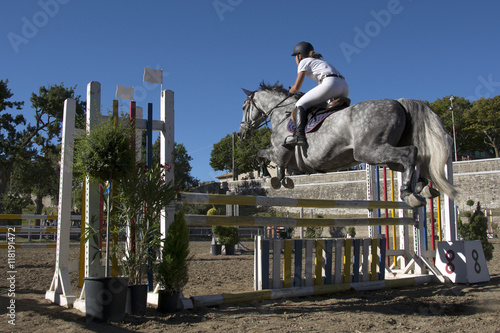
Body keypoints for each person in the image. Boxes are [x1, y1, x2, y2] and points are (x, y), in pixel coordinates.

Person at [288, 41, 349, 146]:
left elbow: (296, 88)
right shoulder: (318, 62)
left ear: (299, 55)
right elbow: (320, 85)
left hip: (331, 83)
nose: (295, 59)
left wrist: (290, 91)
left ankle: (299, 136)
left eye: (295, 56)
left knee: (299, 104)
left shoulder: (304, 62)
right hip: (343, 86)